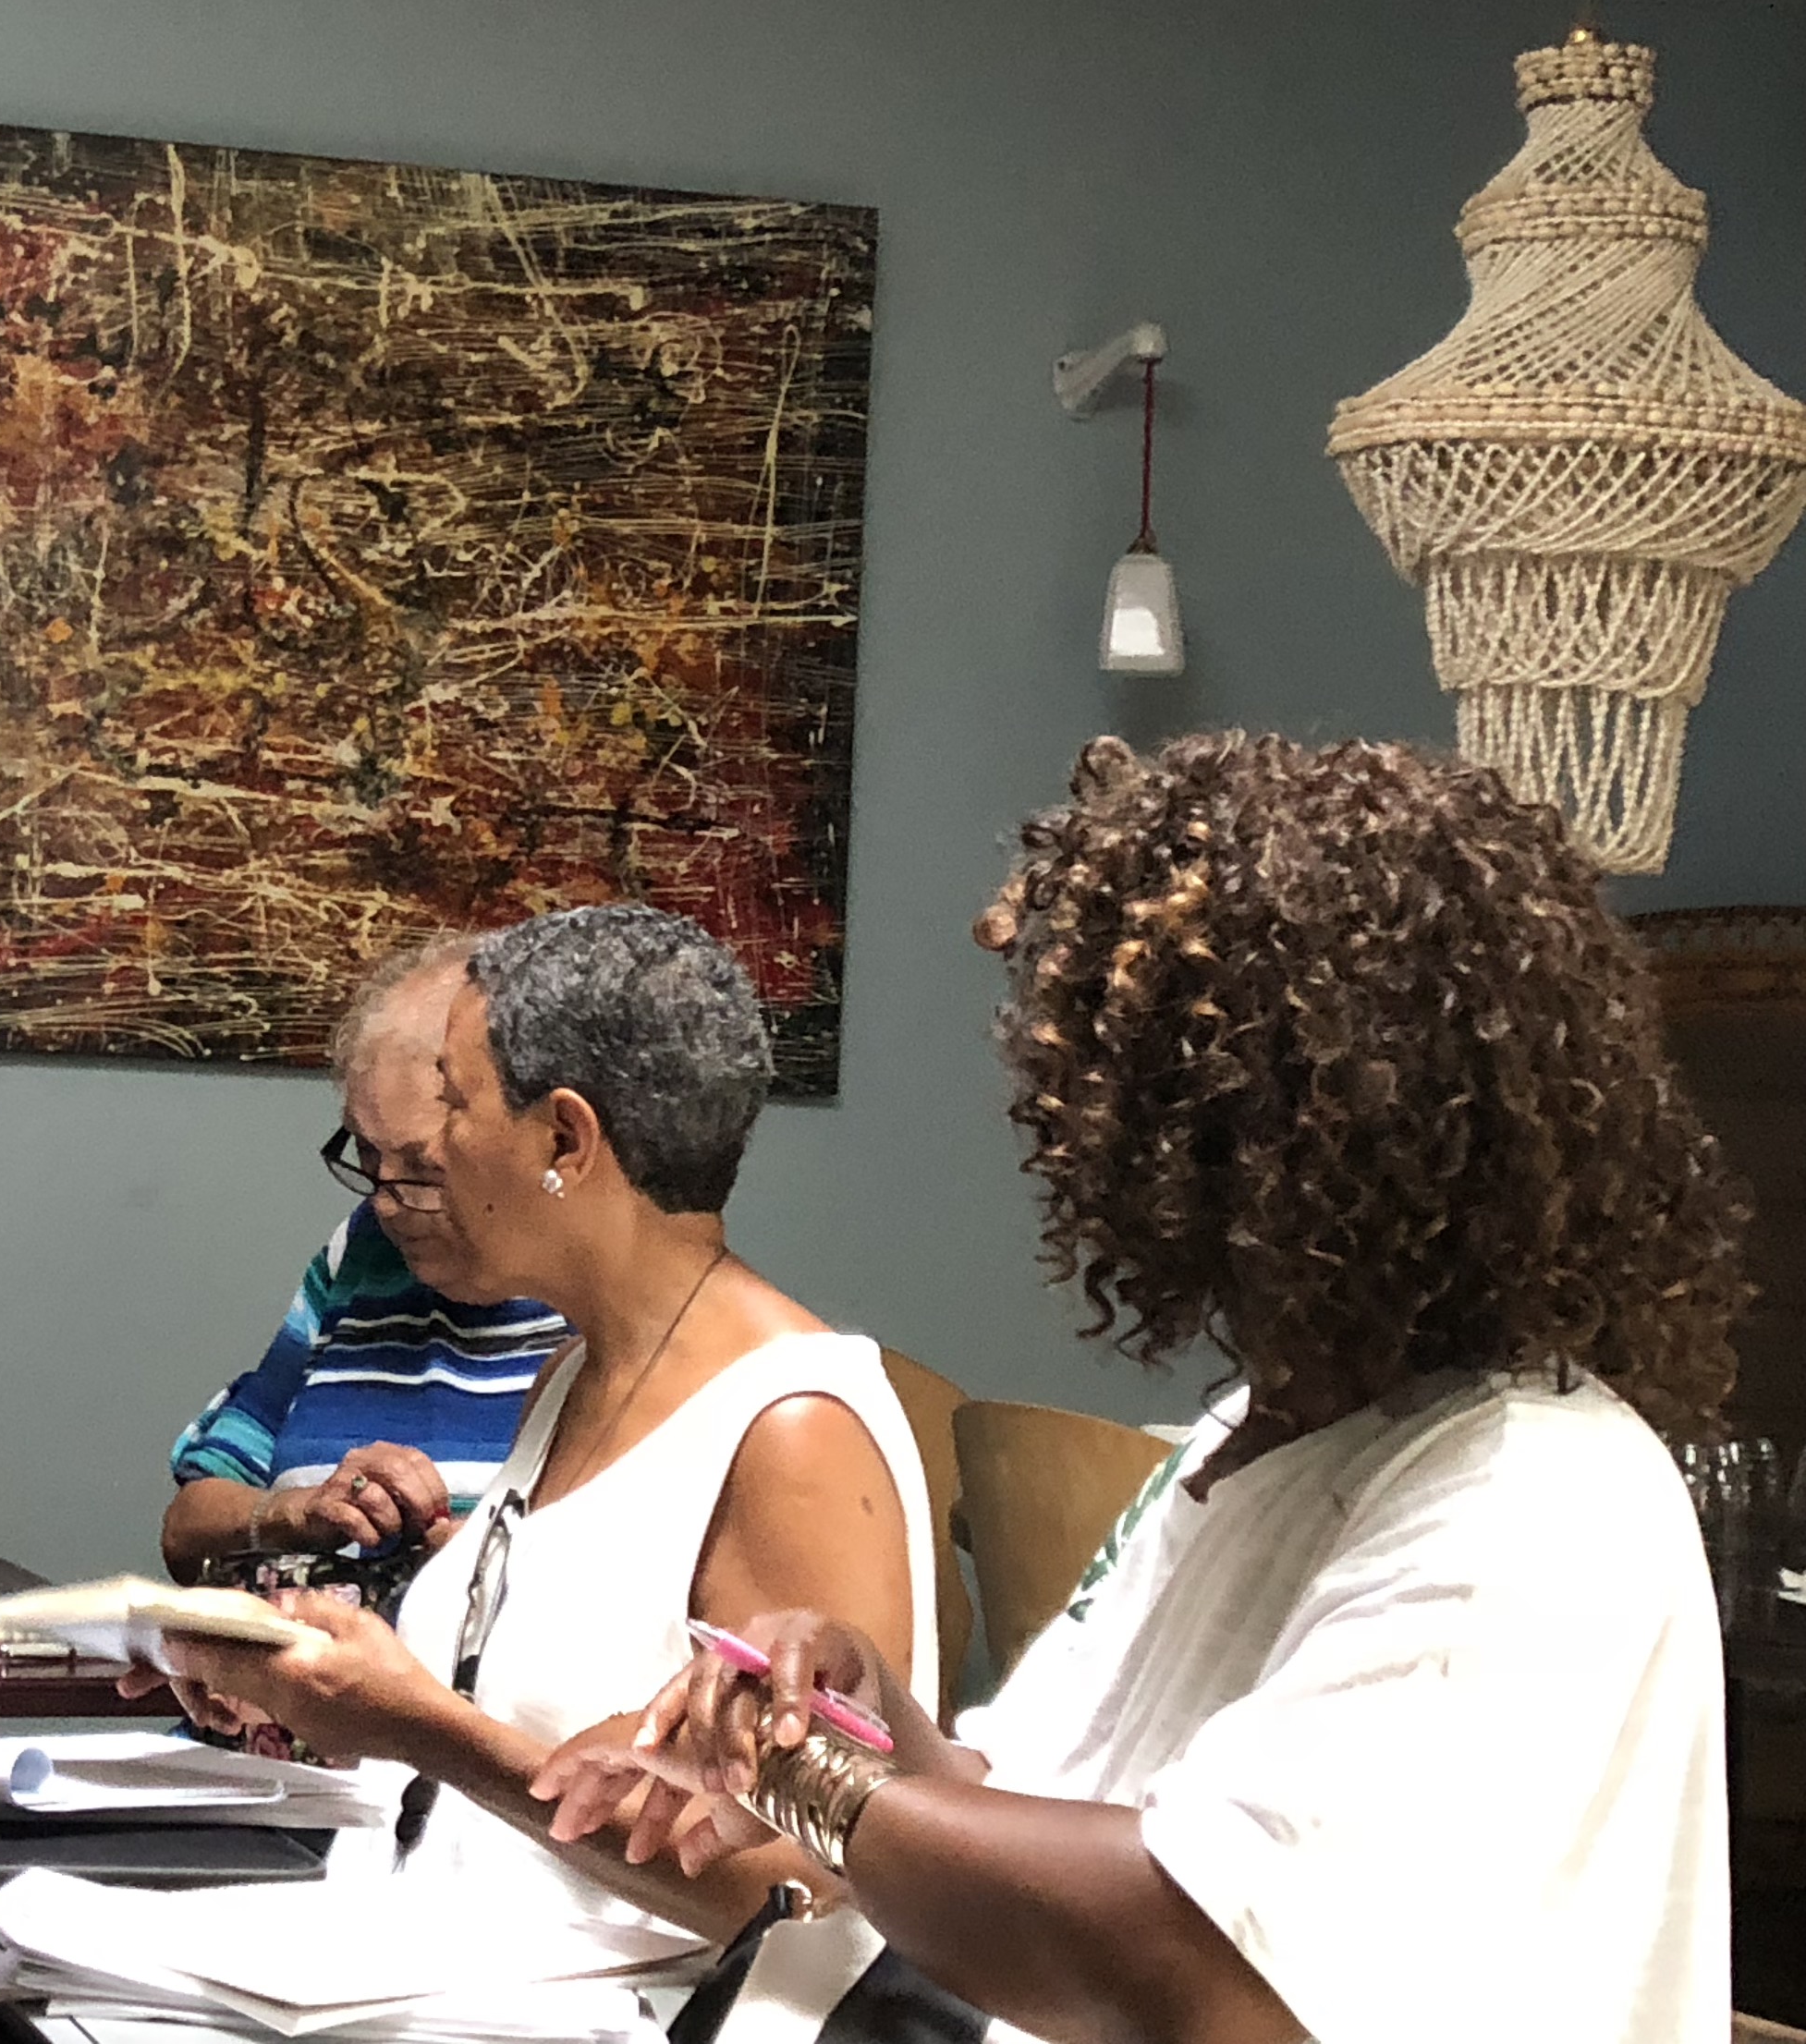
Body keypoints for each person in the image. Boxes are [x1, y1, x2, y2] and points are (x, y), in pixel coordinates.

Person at [540, 734, 1745, 2044]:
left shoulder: (1526, 1501)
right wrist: (866, 1714)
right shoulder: (1258, 1430)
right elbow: (1033, 1799)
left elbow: (1186, 1960)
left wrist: (812, 1781)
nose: (1072, 1140)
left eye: (1129, 1092)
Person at [141, 903, 937, 1966]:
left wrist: (420, 1727)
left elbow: (816, 1896)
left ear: (565, 1139)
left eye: (456, 1103)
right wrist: (288, 1674)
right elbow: (489, 1720)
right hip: (418, 1971)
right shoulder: (571, 1376)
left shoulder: (794, 1427)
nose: (417, 1167)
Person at [164, 938, 572, 1579]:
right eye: (366, 1153)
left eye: (424, 1169)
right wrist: (299, 1511)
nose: (385, 1202)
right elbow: (187, 1529)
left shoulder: (610, 1310)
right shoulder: (360, 1257)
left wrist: (489, 1577)